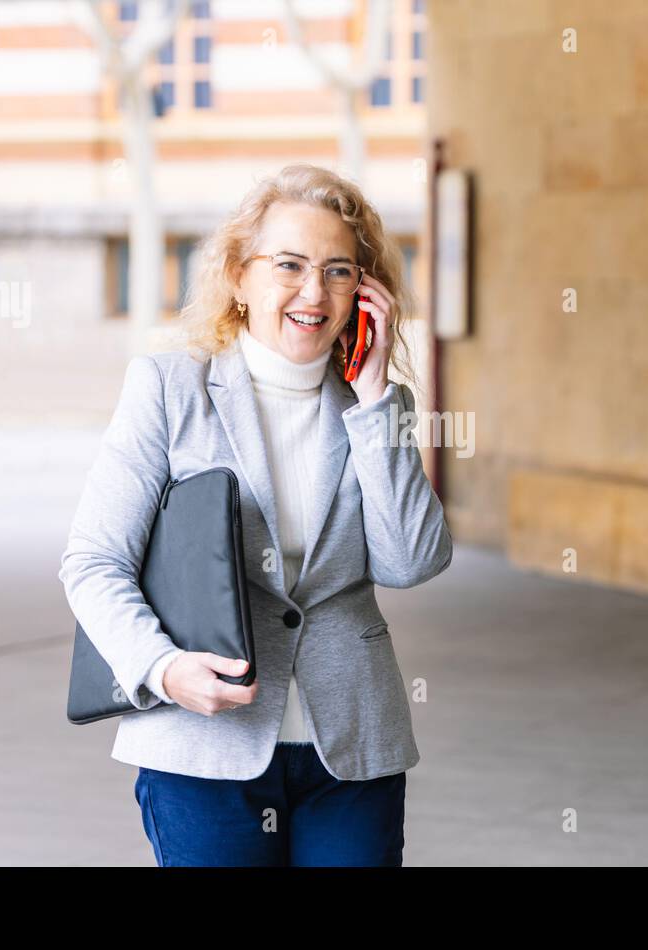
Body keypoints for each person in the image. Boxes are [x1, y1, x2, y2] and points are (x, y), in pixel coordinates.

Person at [58, 163, 453, 866]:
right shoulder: (169, 389)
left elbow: (410, 560)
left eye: (339, 271)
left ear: (366, 292)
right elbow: (93, 561)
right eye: (290, 265)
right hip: (204, 749)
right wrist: (162, 666)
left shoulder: (372, 408)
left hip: (351, 751)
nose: (314, 291)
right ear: (240, 276)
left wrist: (373, 399)